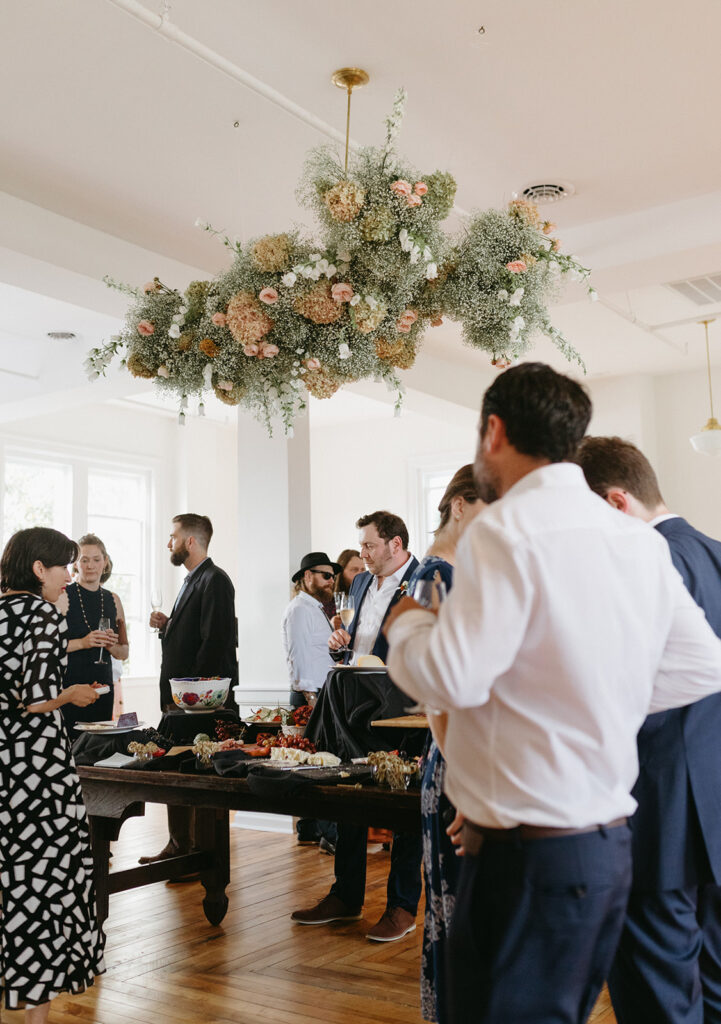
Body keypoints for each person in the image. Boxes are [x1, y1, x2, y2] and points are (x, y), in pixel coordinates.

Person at [383, 362, 721, 1024]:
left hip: (524, 855)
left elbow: (451, 678)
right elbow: (702, 666)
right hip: (607, 849)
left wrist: (408, 624)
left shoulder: (502, 529)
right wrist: (596, 701)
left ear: (494, 432)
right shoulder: (633, 540)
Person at [576, 434, 721, 1024]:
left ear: (615, 504)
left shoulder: (643, 563)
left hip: (656, 811)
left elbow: (621, 696)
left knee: (656, 994)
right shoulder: (715, 551)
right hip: (713, 809)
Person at [292, 511, 421, 942]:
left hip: (402, 707)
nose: (361, 554)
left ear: (396, 545)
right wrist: (340, 644)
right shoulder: (362, 583)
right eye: (361, 546)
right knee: (348, 797)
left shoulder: (425, 581)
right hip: (354, 705)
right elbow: (357, 639)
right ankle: (346, 897)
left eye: (368, 545)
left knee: (402, 806)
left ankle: (402, 906)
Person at [0, 527, 105, 1022]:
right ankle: (36, 1013)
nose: (69, 575)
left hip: (5, 764)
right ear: (39, 569)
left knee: (13, 879)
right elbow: (34, 699)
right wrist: (73, 695)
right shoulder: (43, 613)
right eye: (63, 566)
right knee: (46, 879)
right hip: (38, 769)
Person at [407, 465, 483, 1024]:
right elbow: (436, 696)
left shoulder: (458, 571)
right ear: (460, 505)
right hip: (458, 767)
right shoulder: (434, 576)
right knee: (456, 915)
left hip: (470, 762)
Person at [140, 513, 238, 864]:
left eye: (173, 536)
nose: (169, 543)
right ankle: (180, 848)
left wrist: (191, 696)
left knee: (195, 775)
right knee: (177, 773)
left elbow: (215, 643)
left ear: (191, 542)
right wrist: (168, 625)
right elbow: (194, 635)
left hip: (199, 705)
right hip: (182, 702)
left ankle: (198, 853)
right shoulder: (192, 580)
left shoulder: (215, 581)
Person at [282, 551, 341, 852]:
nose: (332, 580)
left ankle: (309, 829)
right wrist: (314, 701)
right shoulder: (300, 610)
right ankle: (330, 835)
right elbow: (300, 659)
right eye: (325, 575)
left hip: (319, 692)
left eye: (333, 576)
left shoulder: (315, 609)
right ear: (307, 577)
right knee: (321, 765)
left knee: (313, 763)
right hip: (311, 694)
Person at [62, 534, 129, 731]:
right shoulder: (62, 595)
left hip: (103, 688)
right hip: (69, 688)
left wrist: (109, 644)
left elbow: (124, 652)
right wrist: (84, 642)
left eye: (96, 559)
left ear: (105, 562)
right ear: (76, 564)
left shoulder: (114, 600)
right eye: (84, 560)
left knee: (99, 747)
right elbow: (48, 646)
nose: (90, 565)